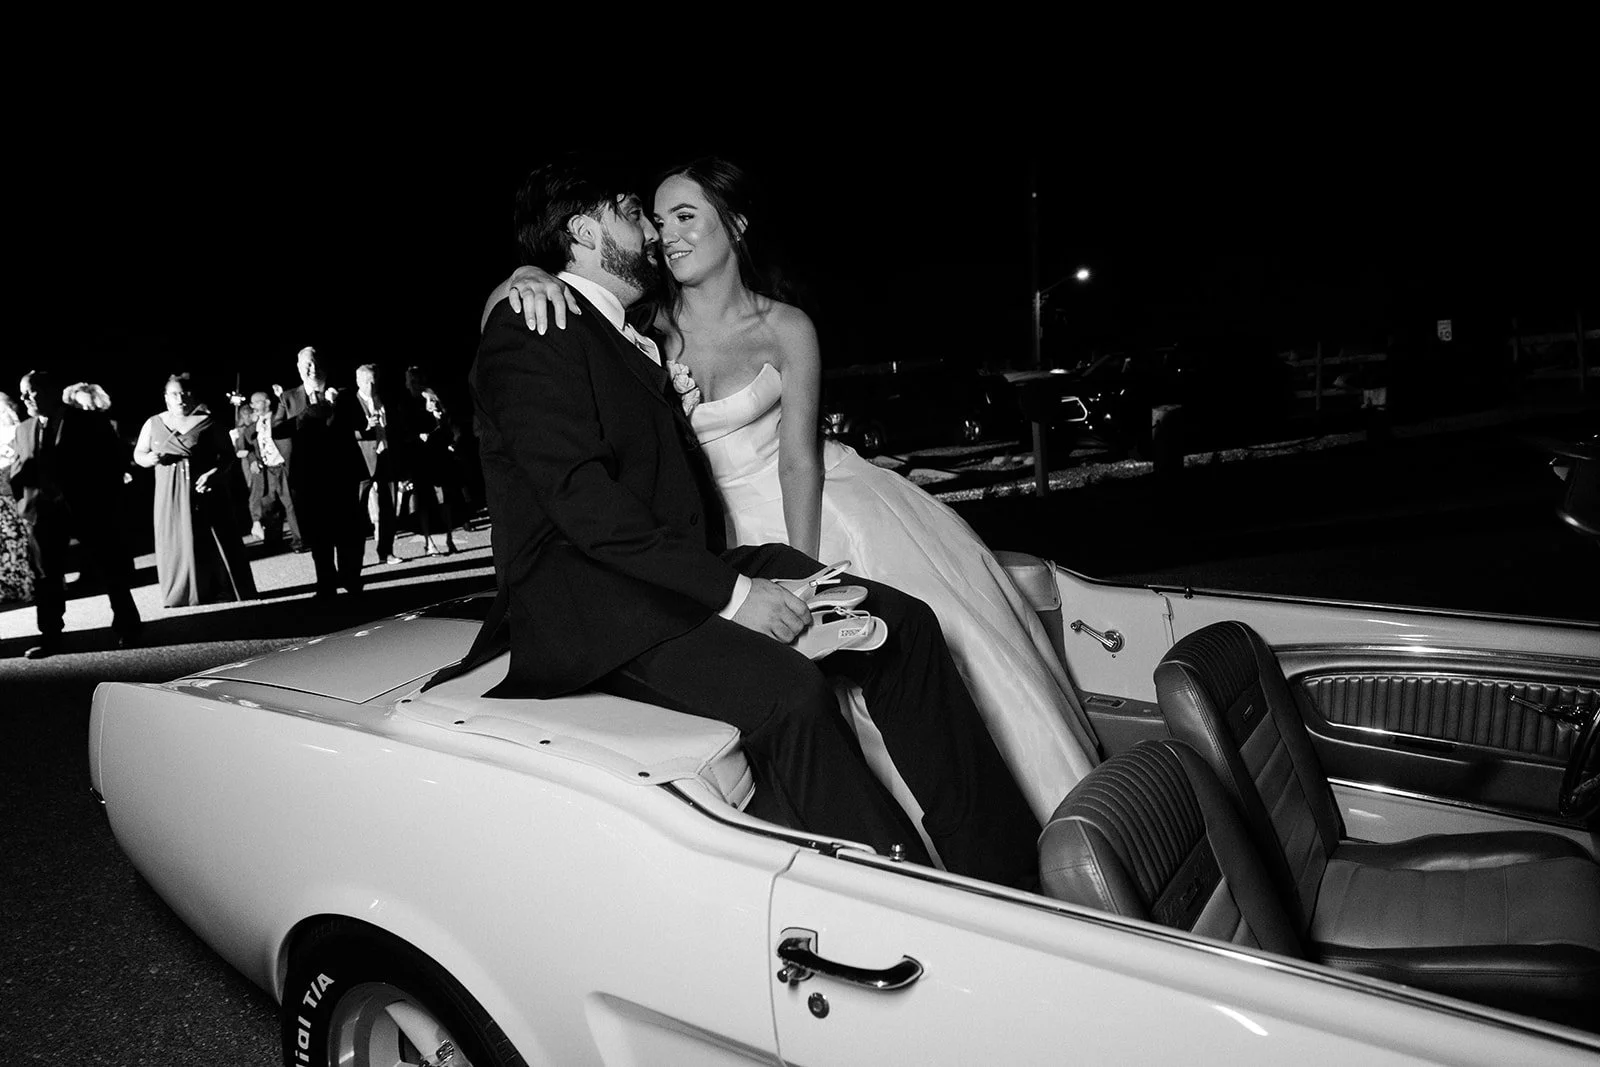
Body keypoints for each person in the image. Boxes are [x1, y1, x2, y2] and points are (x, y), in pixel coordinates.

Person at [451, 155, 1040, 888]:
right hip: (597, 605)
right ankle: (909, 905)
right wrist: (736, 601)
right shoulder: (533, 324)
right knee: (791, 695)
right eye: (633, 212)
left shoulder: (623, 326)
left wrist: (752, 580)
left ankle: (1010, 875)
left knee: (903, 625)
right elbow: (584, 505)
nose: (652, 231)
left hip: (671, 569)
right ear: (581, 231)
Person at [8, 369, 142, 656]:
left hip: (88, 509)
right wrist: (27, 507)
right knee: (47, 577)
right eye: (22, 393)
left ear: (50, 390)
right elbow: (18, 472)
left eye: (30, 391)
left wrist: (104, 502)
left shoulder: (88, 421)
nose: (24, 398)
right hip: (43, 515)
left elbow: (112, 462)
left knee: (110, 569)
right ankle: (51, 636)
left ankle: (128, 627)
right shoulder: (24, 429)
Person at [132, 374, 258, 607]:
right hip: (169, 493)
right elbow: (138, 455)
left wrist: (214, 473)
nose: (180, 399)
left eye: (184, 393)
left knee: (212, 537)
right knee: (176, 539)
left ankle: (222, 588)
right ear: (166, 398)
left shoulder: (208, 422)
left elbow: (228, 456)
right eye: (174, 394)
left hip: (205, 489)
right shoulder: (153, 423)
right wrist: (149, 458)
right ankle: (183, 592)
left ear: (192, 395)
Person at [272, 347, 367, 598]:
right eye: (305, 364)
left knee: (348, 530)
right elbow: (277, 431)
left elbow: (362, 423)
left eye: (314, 364)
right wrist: (304, 416)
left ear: (324, 366)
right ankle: (325, 583)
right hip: (309, 476)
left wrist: (338, 406)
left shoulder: (343, 392)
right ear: (298, 368)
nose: (310, 369)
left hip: (342, 473)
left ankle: (351, 578)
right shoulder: (290, 398)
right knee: (318, 533)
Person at [353, 363, 405, 565]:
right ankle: (355, 559)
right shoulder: (351, 402)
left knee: (389, 507)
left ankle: (386, 551)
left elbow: (396, 429)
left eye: (374, 381)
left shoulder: (385, 401)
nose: (371, 386)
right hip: (362, 461)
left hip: (385, 457)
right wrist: (365, 427)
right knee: (357, 510)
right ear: (358, 381)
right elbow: (344, 431)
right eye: (367, 381)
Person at [235, 391, 301, 550]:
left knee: (290, 504)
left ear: (266, 402)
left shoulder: (278, 419)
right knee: (269, 504)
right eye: (251, 403)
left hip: (282, 466)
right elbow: (249, 449)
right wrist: (253, 460)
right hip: (267, 469)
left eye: (256, 402)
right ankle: (273, 542)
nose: (253, 406)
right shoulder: (252, 428)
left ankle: (300, 540)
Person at [411, 387, 461, 556]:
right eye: (429, 401)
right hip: (424, 465)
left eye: (433, 400)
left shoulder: (443, 417)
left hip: (441, 463)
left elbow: (454, 434)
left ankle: (449, 538)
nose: (432, 403)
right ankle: (429, 542)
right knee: (425, 504)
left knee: (445, 502)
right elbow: (413, 439)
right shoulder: (419, 419)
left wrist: (451, 442)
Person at [0, 392, 37, 606]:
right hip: (2, 497)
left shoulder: (18, 430)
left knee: (21, 542)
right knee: (7, 544)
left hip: (15, 494)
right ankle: (9, 587)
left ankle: (27, 585)